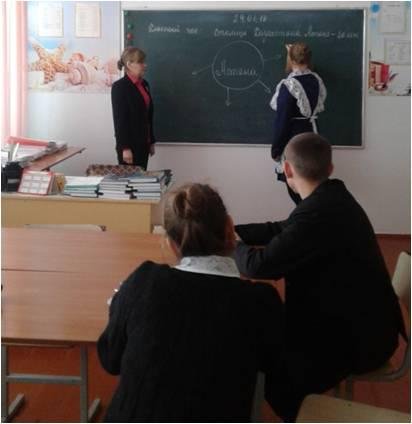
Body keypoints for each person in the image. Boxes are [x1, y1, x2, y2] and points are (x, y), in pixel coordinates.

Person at [234, 133, 405, 422]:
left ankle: (307, 415)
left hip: (361, 342)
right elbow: (281, 228)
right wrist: (235, 230)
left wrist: (230, 242)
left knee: (261, 358)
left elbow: (258, 266)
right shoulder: (331, 197)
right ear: (330, 168)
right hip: (368, 324)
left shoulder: (318, 214)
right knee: (267, 337)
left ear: (287, 169)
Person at [97, 183, 284, 422]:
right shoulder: (260, 301)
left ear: (170, 243)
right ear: (230, 229)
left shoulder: (144, 281)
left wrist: (119, 306)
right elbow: (278, 376)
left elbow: (110, 360)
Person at [270, 42, 327, 204]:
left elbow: (282, 121)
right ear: (309, 59)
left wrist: (276, 149)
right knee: (313, 187)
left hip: (294, 141)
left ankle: (306, 217)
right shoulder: (315, 80)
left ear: (290, 59)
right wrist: (292, 53)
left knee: (297, 189)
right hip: (313, 136)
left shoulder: (289, 86)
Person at [111, 47, 155, 169]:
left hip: (144, 144)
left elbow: (148, 116)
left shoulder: (144, 84)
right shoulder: (120, 87)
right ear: (129, 64)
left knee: (142, 178)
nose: (145, 65)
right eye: (141, 62)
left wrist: (151, 141)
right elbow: (120, 120)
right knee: (130, 180)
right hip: (129, 147)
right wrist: (125, 148)